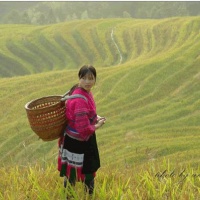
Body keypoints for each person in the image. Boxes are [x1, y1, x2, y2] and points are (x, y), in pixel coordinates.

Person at [57, 65, 106, 198]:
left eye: (91, 78)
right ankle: (87, 197)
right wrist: (98, 125)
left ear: (95, 80)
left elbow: (87, 114)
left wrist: (96, 117)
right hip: (78, 142)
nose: (87, 81)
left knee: (71, 174)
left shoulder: (83, 92)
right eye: (84, 78)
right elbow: (83, 129)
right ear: (79, 78)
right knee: (85, 173)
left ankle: (73, 196)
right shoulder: (79, 99)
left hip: (76, 140)